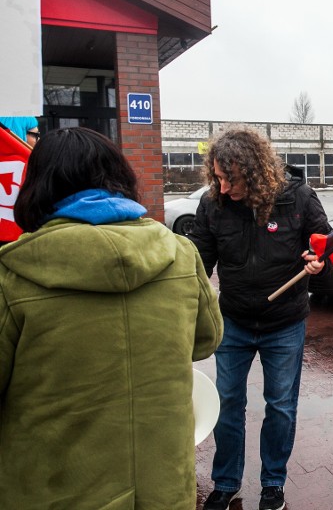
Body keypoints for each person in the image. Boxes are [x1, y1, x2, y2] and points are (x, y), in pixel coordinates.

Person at [0, 126, 223, 508]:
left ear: (37, 186)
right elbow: (206, 339)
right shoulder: (181, 254)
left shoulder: (13, 274)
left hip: (53, 490)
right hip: (164, 488)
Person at [189, 127, 332, 510]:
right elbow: (199, 263)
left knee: (281, 405)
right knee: (228, 401)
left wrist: (320, 263)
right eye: (216, 177)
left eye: (229, 179)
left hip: (284, 323)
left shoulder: (299, 199)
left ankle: (273, 483)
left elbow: (327, 249)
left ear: (252, 173)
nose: (221, 187)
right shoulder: (213, 204)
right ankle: (226, 481)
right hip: (233, 320)